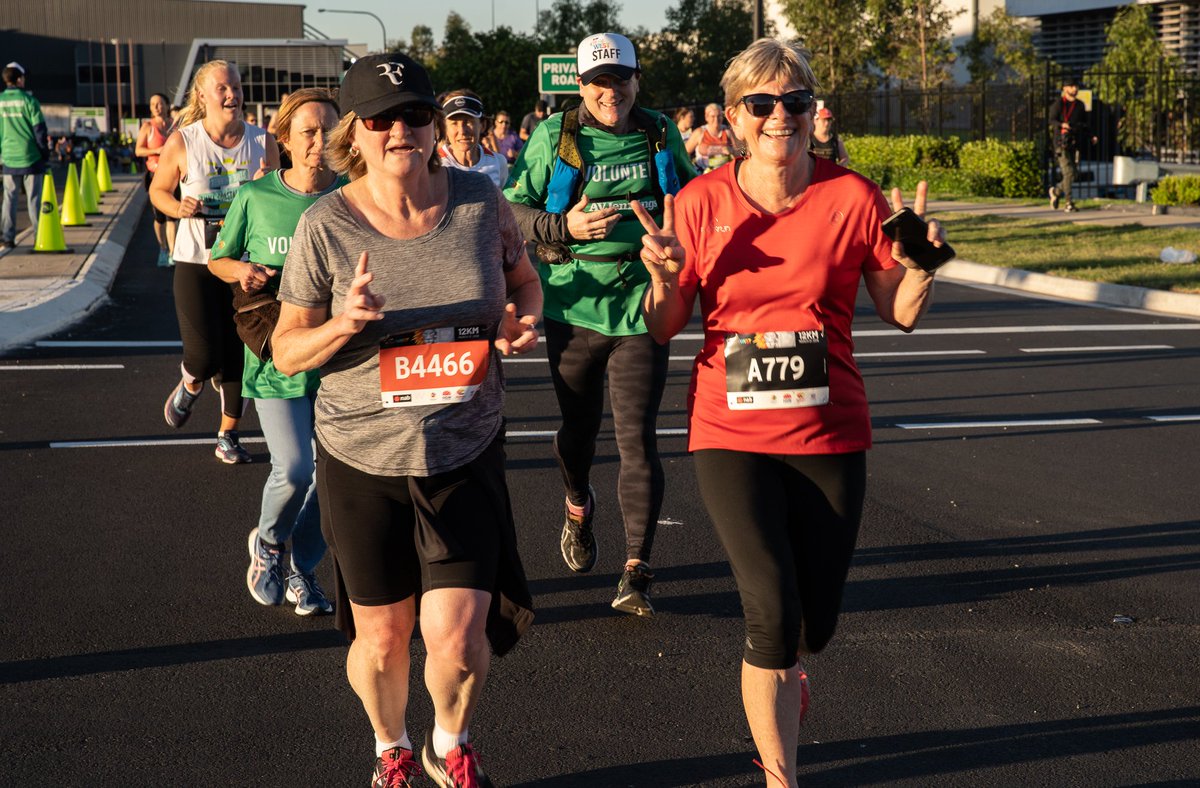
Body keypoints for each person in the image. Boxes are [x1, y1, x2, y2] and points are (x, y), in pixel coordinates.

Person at [634, 38, 941, 787]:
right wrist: (668, 277)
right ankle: (781, 777)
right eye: (762, 105)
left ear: (813, 112)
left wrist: (924, 269)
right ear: (733, 117)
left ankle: (790, 669)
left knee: (815, 623)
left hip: (830, 430)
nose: (781, 117)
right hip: (729, 430)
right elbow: (665, 324)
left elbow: (896, 312)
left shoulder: (852, 197)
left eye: (795, 102)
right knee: (769, 612)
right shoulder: (700, 201)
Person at [270, 53, 541, 788]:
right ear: (355, 132)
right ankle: (391, 747)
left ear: (434, 124)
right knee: (385, 638)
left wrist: (523, 320)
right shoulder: (325, 226)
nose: (401, 131)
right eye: (382, 119)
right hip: (363, 456)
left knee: (455, 636)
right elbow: (286, 349)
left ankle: (449, 742)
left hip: (464, 445)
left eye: (415, 115)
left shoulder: (482, 202)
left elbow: (523, 279)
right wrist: (343, 324)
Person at [503, 32, 696, 616]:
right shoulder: (554, 136)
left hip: (641, 303)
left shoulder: (661, 132)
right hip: (571, 305)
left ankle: (636, 570)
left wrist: (674, 243)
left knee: (637, 437)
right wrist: (566, 229)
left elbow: (693, 201)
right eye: (597, 84)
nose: (610, 93)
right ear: (580, 86)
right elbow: (511, 211)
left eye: (620, 81)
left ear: (637, 80)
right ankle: (576, 502)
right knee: (579, 434)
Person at [208, 88, 345, 616]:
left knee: (332, 479)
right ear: (284, 139)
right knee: (294, 468)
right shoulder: (257, 196)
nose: (319, 140)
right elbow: (220, 258)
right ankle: (268, 543)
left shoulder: (352, 195)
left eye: (328, 130)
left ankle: (302, 570)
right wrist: (242, 269)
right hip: (276, 358)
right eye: (307, 131)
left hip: (338, 359)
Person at [150, 59, 280, 464]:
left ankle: (228, 434)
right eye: (223, 88)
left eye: (237, 87)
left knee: (239, 352)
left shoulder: (263, 142)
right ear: (202, 95)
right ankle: (190, 383)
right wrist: (178, 206)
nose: (232, 94)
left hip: (244, 263)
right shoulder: (183, 142)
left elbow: (277, 199)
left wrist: (265, 186)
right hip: (195, 261)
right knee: (204, 357)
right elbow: (158, 192)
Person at [0, 62, 49, 251]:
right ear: (19, 79)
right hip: (31, 157)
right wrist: (44, 153)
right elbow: (40, 131)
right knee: (34, 198)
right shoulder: (29, 101)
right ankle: (39, 235)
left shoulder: (1, 101)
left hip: (9, 158)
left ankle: (8, 237)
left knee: (9, 199)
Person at [135, 92, 177, 266]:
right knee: (159, 217)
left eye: (160, 104)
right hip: (155, 175)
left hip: (174, 174)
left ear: (167, 105)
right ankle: (162, 248)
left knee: (172, 215)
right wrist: (158, 150)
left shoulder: (174, 125)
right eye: (153, 105)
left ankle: (173, 254)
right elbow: (138, 150)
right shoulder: (147, 127)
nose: (157, 107)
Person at [437, 89, 508, 188]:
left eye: (468, 122)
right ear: (445, 128)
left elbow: (508, 200)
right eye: (454, 123)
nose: (462, 131)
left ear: (482, 125)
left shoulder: (498, 162)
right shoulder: (435, 165)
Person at [1048, 75, 1096, 214]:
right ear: (1065, 88)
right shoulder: (1058, 104)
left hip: (1074, 143)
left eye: (1076, 87)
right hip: (1060, 143)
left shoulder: (1080, 105)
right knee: (1068, 172)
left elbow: (1085, 124)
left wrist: (1091, 136)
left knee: (1073, 175)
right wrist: (1061, 124)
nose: (1074, 89)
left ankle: (1056, 191)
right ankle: (1068, 203)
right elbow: (1051, 120)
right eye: (1071, 87)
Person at [686, 102, 734, 173]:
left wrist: (731, 150)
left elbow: (740, 151)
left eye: (719, 116)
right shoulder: (699, 132)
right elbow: (685, 152)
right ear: (706, 117)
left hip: (724, 173)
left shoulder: (728, 131)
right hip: (704, 173)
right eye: (713, 116)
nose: (716, 119)